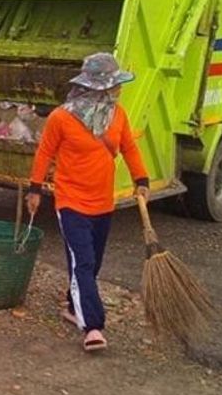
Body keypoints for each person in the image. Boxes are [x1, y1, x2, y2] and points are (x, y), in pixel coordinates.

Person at [25, 52, 150, 353]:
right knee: (83, 261)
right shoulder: (61, 117)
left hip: (102, 203)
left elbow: (129, 148)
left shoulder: (117, 115)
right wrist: (34, 190)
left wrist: (142, 180)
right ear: (97, 87)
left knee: (92, 263)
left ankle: (72, 304)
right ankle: (92, 325)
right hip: (70, 201)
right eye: (113, 86)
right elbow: (44, 153)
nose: (118, 91)